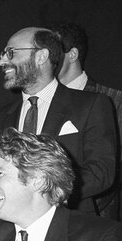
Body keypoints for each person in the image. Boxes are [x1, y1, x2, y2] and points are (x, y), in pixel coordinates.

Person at [0, 27, 117, 220]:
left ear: (41, 56)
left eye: (10, 53)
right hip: (12, 229)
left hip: (71, 228)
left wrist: (42, 192)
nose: (2, 61)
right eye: (3, 54)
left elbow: (102, 172)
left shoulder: (91, 105)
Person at [52, 21, 122, 220]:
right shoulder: (37, 101)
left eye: (53, 51)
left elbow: (113, 171)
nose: (44, 58)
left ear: (72, 55)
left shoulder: (115, 101)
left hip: (97, 222)